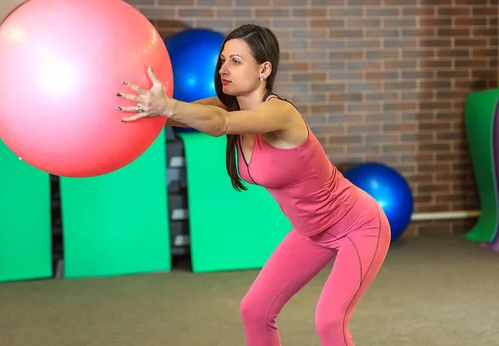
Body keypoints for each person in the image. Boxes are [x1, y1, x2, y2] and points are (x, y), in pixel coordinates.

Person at [116, 23, 391, 346]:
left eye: (236, 61)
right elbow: (176, 115)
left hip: (359, 225)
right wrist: (136, 103)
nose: (223, 69)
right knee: (255, 309)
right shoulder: (226, 106)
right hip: (311, 232)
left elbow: (219, 125)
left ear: (264, 69)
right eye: (222, 60)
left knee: (330, 320)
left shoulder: (280, 113)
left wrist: (168, 107)